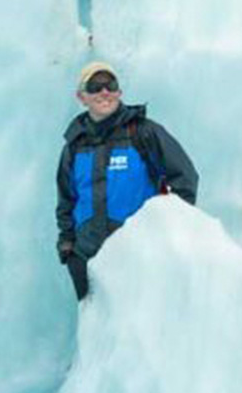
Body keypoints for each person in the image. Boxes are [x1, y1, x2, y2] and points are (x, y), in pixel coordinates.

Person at [55, 61, 199, 298]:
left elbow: (185, 178)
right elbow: (66, 200)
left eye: (110, 85)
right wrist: (68, 247)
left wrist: (171, 230)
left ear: (119, 93)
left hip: (140, 259)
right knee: (97, 332)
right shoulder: (74, 147)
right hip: (87, 259)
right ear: (81, 97)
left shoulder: (143, 133)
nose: (104, 92)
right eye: (95, 86)